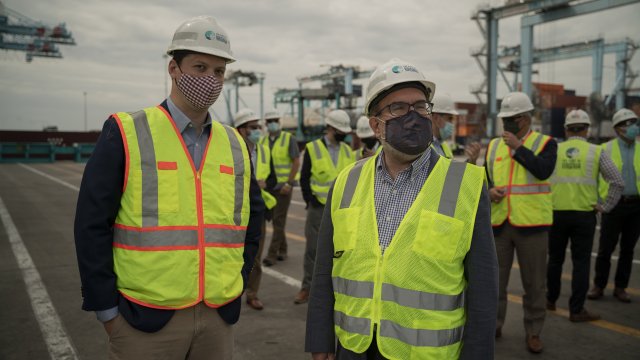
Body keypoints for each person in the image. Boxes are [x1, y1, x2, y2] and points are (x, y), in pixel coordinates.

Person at [74, 16, 264, 359]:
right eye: (200, 66)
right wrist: (107, 311)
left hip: (217, 317)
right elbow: (91, 224)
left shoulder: (236, 143)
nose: (210, 79)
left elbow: (252, 223)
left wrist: (237, 282)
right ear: (173, 68)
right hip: (143, 319)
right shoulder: (126, 132)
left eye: (219, 71)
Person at [306, 58, 498, 360]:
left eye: (420, 106)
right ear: (375, 125)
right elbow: (324, 273)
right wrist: (320, 340)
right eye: (398, 108)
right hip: (354, 348)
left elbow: (484, 289)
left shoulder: (468, 185)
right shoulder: (347, 181)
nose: (413, 116)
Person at [485, 91, 557, 354]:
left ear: (526, 119)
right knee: (495, 282)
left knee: (535, 284)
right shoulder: (493, 146)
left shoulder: (546, 143)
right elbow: (486, 177)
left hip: (532, 226)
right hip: (500, 224)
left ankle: (534, 331)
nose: (507, 124)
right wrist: (490, 191)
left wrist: (518, 147)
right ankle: (493, 325)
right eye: (505, 119)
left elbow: (543, 170)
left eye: (512, 119)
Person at [547, 110, 623, 322]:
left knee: (554, 260)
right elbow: (617, 182)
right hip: (584, 215)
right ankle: (576, 309)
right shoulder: (596, 151)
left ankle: (550, 300)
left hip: (556, 213)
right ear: (587, 129)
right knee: (581, 263)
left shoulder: (555, 150)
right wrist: (605, 206)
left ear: (566, 129)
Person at [297, 109, 355, 305]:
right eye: (340, 130)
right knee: (313, 250)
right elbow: (304, 177)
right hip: (318, 208)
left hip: (342, 210)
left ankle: (334, 290)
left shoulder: (347, 150)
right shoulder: (313, 148)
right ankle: (307, 288)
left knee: (341, 250)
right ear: (330, 128)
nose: (343, 133)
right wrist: (310, 200)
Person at [588, 108, 640, 303]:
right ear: (619, 129)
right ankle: (599, 285)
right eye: (630, 124)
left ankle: (620, 287)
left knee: (628, 249)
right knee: (605, 248)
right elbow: (593, 177)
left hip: (636, 206)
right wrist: (598, 201)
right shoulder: (605, 149)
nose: (634, 127)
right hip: (612, 205)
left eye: (635, 123)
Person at [234, 108, 277, 311]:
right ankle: (231, 293)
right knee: (231, 254)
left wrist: (264, 184)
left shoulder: (264, 150)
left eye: (258, 127)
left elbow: (273, 178)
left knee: (256, 256)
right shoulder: (230, 150)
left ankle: (252, 293)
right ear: (241, 130)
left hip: (258, 209)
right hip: (234, 211)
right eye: (253, 128)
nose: (257, 131)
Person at [260, 109, 301, 267]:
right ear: (265, 124)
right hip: (268, 187)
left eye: (274, 120)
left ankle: (272, 254)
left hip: (283, 187)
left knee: (278, 220)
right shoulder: (262, 142)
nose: (272, 124)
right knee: (276, 221)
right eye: (269, 121)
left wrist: (289, 183)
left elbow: (296, 161)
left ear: (279, 121)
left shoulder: (288, 139)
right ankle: (283, 249)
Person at [430, 93, 482, 164]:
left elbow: (451, 173)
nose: (452, 123)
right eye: (450, 118)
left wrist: (471, 161)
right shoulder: (423, 148)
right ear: (436, 118)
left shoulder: (443, 146)